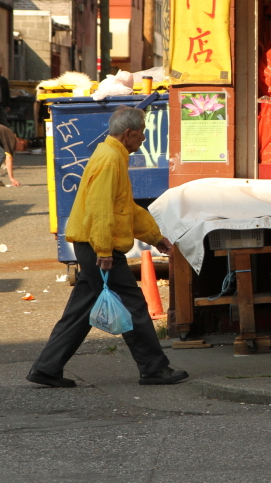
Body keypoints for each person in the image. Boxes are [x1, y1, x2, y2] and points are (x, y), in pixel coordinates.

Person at [27, 106, 188, 388]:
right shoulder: (111, 160)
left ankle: (47, 368)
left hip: (91, 246)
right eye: (141, 134)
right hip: (98, 247)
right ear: (128, 134)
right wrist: (104, 251)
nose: (143, 140)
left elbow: (124, 209)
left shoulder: (111, 155)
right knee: (134, 306)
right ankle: (153, 368)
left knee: (79, 312)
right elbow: (100, 208)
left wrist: (155, 237)